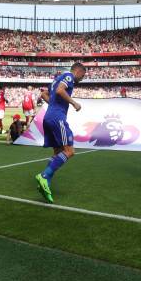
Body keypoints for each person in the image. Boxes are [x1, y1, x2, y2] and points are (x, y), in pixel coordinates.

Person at [34, 63, 86, 203]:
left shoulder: (56, 79)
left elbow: (44, 94)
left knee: (57, 153)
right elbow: (60, 91)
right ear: (78, 71)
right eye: (83, 75)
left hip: (48, 117)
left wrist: (53, 104)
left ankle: (45, 184)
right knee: (69, 151)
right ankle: (44, 176)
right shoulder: (69, 76)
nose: (82, 78)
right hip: (58, 118)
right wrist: (73, 103)